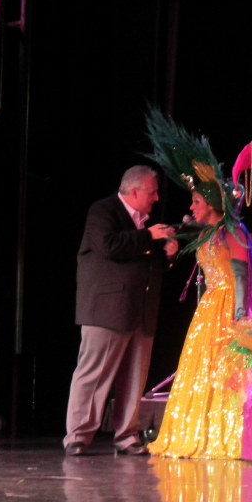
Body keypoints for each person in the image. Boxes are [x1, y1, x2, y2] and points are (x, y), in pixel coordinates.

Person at [144, 112, 252, 459]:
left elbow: (240, 275)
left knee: (224, 370)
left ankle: (226, 435)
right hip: (208, 309)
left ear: (213, 205)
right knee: (200, 368)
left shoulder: (231, 232)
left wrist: (238, 317)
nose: (191, 206)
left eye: (197, 201)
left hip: (226, 305)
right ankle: (194, 431)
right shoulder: (206, 232)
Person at [64, 165, 178, 456]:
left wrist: (165, 256)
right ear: (135, 190)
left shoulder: (145, 225)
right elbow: (109, 245)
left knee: (134, 377)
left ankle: (128, 435)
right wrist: (149, 238)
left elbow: (144, 264)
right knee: (95, 373)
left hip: (140, 310)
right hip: (107, 309)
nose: (155, 199)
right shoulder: (104, 211)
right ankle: (78, 435)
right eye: (152, 193)